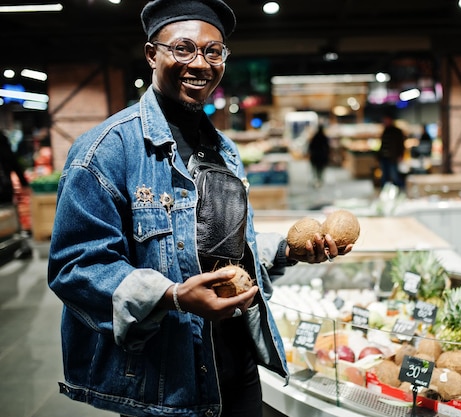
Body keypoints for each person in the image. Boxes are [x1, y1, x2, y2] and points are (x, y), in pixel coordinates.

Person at [47, 1, 352, 417]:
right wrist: (172, 297)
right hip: (166, 383)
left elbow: (225, 251)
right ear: (152, 54)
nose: (201, 63)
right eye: (184, 48)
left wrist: (287, 251)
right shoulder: (106, 150)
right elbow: (75, 266)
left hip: (238, 366)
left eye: (214, 51)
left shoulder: (223, 151)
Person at [377, 114, 406, 187]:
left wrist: (401, 155)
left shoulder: (397, 131)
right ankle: (385, 190)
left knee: (394, 175)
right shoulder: (385, 130)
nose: (385, 122)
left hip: (393, 157)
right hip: (384, 157)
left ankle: (398, 189)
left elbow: (401, 144)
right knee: (384, 175)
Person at [0, 131, 29, 204]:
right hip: (5, 188)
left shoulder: (2, 140)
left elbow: (12, 162)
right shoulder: (2, 140)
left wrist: (23, 182)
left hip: (5, 188)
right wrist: (23, 182)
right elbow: (13, 162)